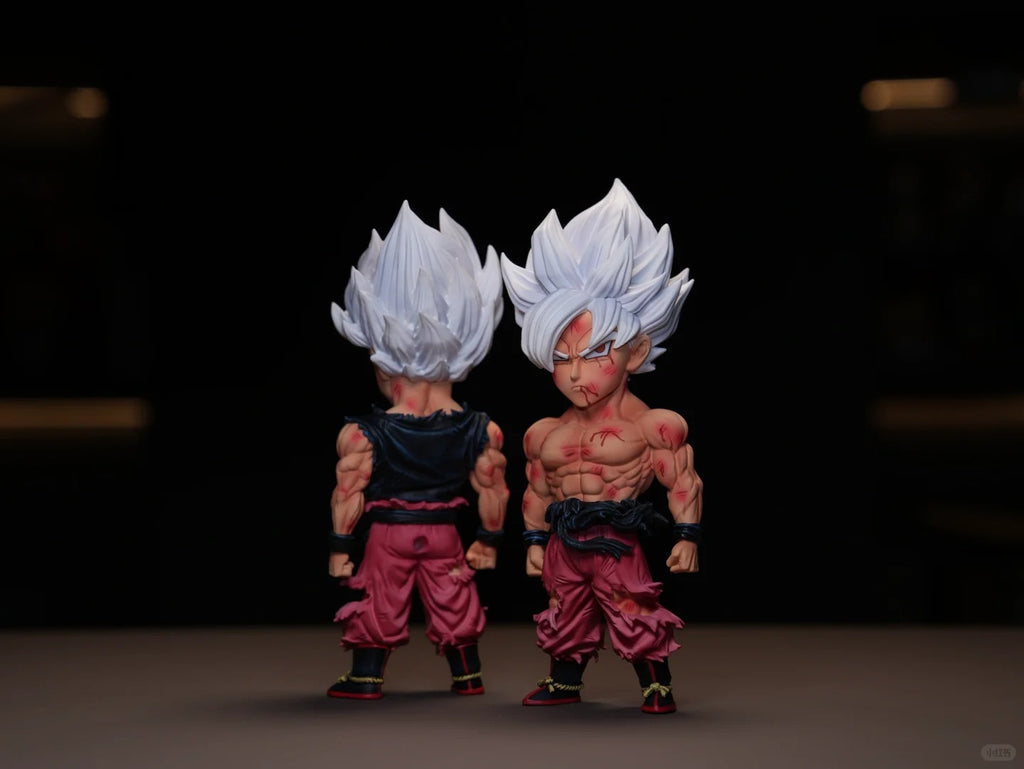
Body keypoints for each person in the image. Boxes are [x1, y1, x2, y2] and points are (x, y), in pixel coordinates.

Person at [499, 178, 703, 714]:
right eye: (561, 358)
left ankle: (656, 683)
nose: (576, 374)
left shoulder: (653, 425)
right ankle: (565, 681)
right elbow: (538, 490)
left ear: (635, 351)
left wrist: (687, 536)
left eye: (594, 354)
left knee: (633, 609)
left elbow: (682, 480)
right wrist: (534, 541)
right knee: (563, 609)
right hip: (564, 539)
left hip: (617, 538)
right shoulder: (545, 432)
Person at [326, 200, 509, 699]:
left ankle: (367, 677)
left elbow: (348, 492)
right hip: (444, 532)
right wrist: (488, 541)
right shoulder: (481, 429)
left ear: (380, 360)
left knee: (380, 599)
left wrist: (340, 548)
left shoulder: (364, 434)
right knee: (453, 595)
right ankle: (467, 675)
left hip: (390, 532)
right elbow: (493, 489)